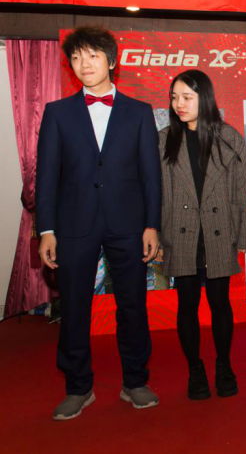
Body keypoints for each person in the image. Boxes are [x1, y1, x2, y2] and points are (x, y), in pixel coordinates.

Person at [36, 25, 161, 420]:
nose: (84, 64)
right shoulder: (57, 113)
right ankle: (78, 387)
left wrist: (151, 225)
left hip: (129, 224)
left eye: (92, 55)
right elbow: (46, 177)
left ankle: (135, 381)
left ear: (111, 61)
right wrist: (46, 230)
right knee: (74, 308)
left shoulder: (139, 113)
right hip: (74, 225)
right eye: (76, 57)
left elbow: (151, 175)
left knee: (133, 306)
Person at [158, 69, 246, 400]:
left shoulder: (228, 137)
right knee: (186, 304)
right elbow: (154, 192)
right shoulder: (163, 140)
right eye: (174, 97)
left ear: (206, 98)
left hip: (218, 231)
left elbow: (243, 190)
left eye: (187, 97)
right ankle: (195, 368)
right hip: (180, 232)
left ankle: (224, 365)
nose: (179, 104)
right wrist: (156, 234)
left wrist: (244, 237)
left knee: (220, 303)